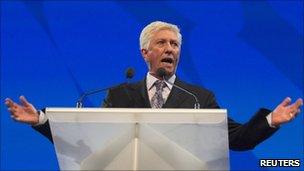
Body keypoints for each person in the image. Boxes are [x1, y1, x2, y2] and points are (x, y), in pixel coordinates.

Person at [5, 21, 303, 151]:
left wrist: (270, 121)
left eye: (175, 44)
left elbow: (236, 139)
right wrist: (42, 121)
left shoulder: (199, 97)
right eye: (162, 43)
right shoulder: (119, 94)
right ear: (145, 53)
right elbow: (89, 138)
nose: (170, 49)